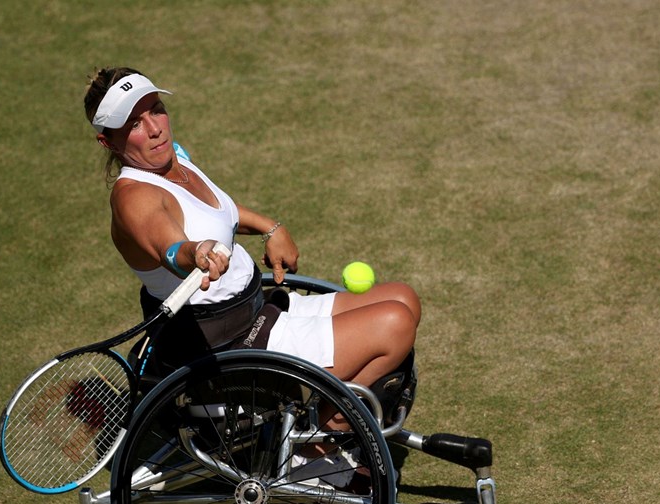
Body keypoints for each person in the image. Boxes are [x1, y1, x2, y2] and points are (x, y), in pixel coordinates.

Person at [82, 66, 421, 392]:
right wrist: (194, 253)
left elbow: (218, 211)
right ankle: (325, 437)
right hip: (232, 347)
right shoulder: (133, 197)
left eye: (156, 110)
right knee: (396, 322)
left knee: (403, 297)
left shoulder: (173, 159)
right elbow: (168, 247)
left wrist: (271, 228)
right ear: (107, 142)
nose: (155, 128)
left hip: (259, 310)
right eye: (134, 124)